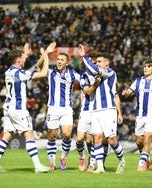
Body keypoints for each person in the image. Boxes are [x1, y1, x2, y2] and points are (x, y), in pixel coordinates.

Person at [0, 43, 50, 173]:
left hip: (8, 108)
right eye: (23, 58)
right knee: (29, 134)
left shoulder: (9, 72)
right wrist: (46, 57)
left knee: (7, 136)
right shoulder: (19, 73)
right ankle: (38, 166)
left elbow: (27, 67)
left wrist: (26, 54)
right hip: (18, 110)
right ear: (18, 60)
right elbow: (43, 73)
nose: (25, 60)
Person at [78, 44, 126, 174]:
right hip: (95, 110)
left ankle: (121, 160)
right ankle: (99, 167)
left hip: (108, 110)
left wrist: (84, 56)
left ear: (107, 63)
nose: (97, 64)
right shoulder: (96, 75)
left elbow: (94, 69)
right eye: (96, 62)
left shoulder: (110, 72)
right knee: (97, 138)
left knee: (111, 139)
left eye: (100, 62)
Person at [37, 42, 81, 170]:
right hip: (53, 108)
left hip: (67, 109)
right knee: (52, 135)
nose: (59, 61)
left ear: (67, 63)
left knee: (67, 135)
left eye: (62, 59)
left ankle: (63, 157)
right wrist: (46, 53)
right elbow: (39, 65)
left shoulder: (73, 74)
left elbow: (85, 80)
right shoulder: (51, 72)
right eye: (58, 59)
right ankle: (51, 162)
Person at [75, 52, 101, 172]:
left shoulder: (103, 74)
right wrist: (96, 83)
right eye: (91, 61)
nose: (93, 63)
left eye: (95, 61)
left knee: (93, 139)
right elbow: (88, 91)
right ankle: (81, 157)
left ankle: (91, 163)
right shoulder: (84, 76)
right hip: (85, 111)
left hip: (97, 111)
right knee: (80, 139)